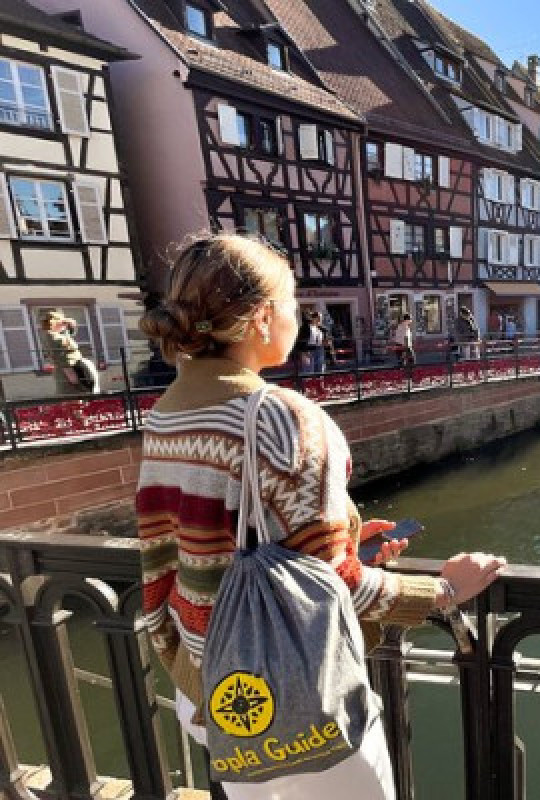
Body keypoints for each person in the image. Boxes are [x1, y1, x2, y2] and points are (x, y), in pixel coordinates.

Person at [136, 234, 505, 800]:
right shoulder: (285, 420)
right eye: (291, 302)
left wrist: (340, 546)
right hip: (297, 692)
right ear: (261, 318)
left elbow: (172, 560)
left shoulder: (164, 418)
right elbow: (340, 584)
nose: (298, 315)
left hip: (214, 689)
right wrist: (443, 591)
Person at [41, 310, 98, 395]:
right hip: (68, 369)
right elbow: (58, 354)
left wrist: (69, 325)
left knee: (85, 392)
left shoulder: (60, 334)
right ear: (54, 322)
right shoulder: (51, 336)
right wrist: (68, 371)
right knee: (73, 394)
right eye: (61, 322)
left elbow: (70, 335)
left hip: (75, 366)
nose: (63, 324)